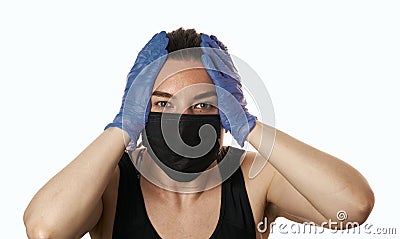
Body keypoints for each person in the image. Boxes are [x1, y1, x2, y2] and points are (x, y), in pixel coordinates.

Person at [23, 28, 374, 239]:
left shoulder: (255, 179)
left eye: (203, 105)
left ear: (227, 110)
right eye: (162, 103)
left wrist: (251, 128)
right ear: (140, 108)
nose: (182, 118)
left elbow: (353, 207)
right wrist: (121, 127)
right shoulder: (110, 182)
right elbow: (45, 230)